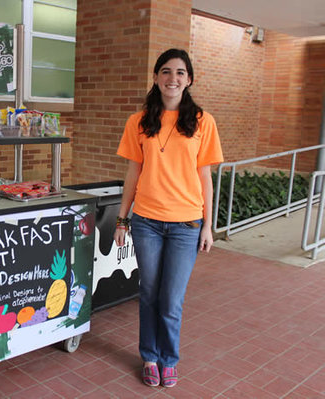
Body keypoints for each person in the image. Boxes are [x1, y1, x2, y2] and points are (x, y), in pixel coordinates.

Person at [113, 48, 223, 388]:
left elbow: (206, 178)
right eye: (165, 71)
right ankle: (149, 355)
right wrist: (122, 219)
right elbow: (133, 173)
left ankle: (168, 358)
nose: (172, 78)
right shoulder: (139, 121)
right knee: (148, 293)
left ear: (188, 79)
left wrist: (208, 225)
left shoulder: (203, 121)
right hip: (146, 221)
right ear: (156, 77)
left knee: (171, 299)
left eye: (179, 72)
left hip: (186, 225)